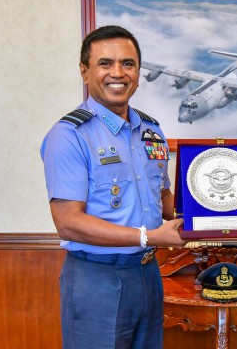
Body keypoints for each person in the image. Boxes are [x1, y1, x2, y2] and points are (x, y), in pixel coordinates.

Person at [40, 25, 185, 349]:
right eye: (105, 63)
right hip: (97, 277)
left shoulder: (151, 131)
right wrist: (148, 237)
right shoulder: (70, 135)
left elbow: (163, 197)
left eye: (127, 63)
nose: (117, 73)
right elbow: (68, 223)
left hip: (147, 274)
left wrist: (216, 212)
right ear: (85, 71)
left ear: (138, 72)